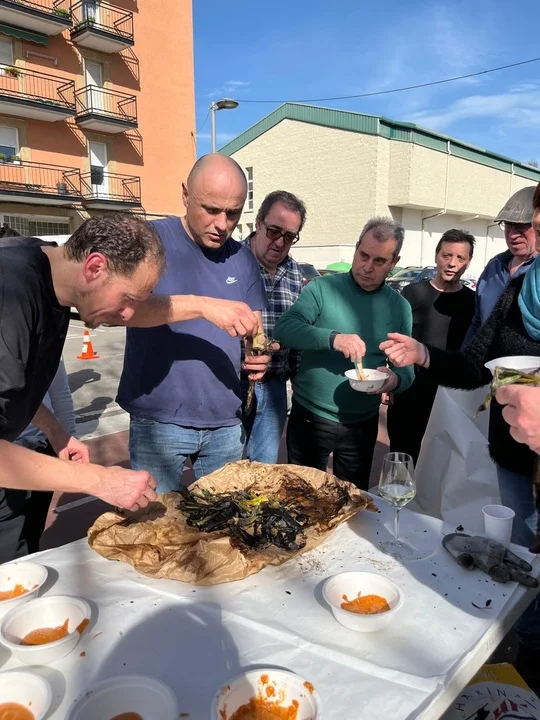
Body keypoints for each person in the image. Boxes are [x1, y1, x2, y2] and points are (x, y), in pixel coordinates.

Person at [0, 211, 261, 561]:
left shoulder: (49, 273)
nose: (127, 316)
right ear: (95, 267)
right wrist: (98, 480)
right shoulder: (10, 295)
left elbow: (14, 389)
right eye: (127, 299)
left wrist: (55, 431)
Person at [117, 154, 275, 493]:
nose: (222, 224)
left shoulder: (243, 258)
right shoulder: (149, 241)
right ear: (186, 195)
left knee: (222, 521)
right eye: (211, 209)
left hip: (225, 422)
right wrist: (203, 307)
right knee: (156, 520)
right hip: (159, 420)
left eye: (233, 213)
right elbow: (123, 310)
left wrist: (260, 353)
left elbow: (256, 330)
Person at [274, 217, 414, 490]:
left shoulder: (400, 307)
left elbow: (407, 369)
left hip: (362, 423)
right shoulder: (322, 288)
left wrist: (394, 380)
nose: (367, 267)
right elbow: (285, 329)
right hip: (311, 416)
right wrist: (332, 339)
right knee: (302, 497)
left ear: (394, 263)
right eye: (363, 255)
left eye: (379, 261)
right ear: (356, 248)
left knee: (351, 501)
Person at [387, 229, 476, 463]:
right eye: (447, 255)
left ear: (468, 262)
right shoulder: (412, 293)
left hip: (451, 398)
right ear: (437, 256)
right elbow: (396, 339)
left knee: (442, 463)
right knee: (403, 460)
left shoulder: (473, 302)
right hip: (410, 393)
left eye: (460, 258)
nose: (452, 263)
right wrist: (392, 381)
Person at [241, 190, 306, 463]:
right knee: (226, 470)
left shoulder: (295, 272)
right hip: (232, 383)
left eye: (289, 236)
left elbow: (300, 328)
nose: (280, 242)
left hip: (276, 384)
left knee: (264, 469)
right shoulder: (231, 260)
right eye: (274, 231)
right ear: (258, 223)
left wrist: (298, 380)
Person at [463, 186, 536, 346]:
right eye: (508, 225)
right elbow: (477, 323)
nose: (512, 235)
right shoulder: (494, 267)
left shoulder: (537, 274)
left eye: (521, 226)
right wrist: (464, 357)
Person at [16, 359, 76, 553]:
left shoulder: (44, 347)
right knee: (12, 538)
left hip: (41, 446)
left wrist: (68, 437)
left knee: (33, 526)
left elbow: (60, 393)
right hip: (9, 454)